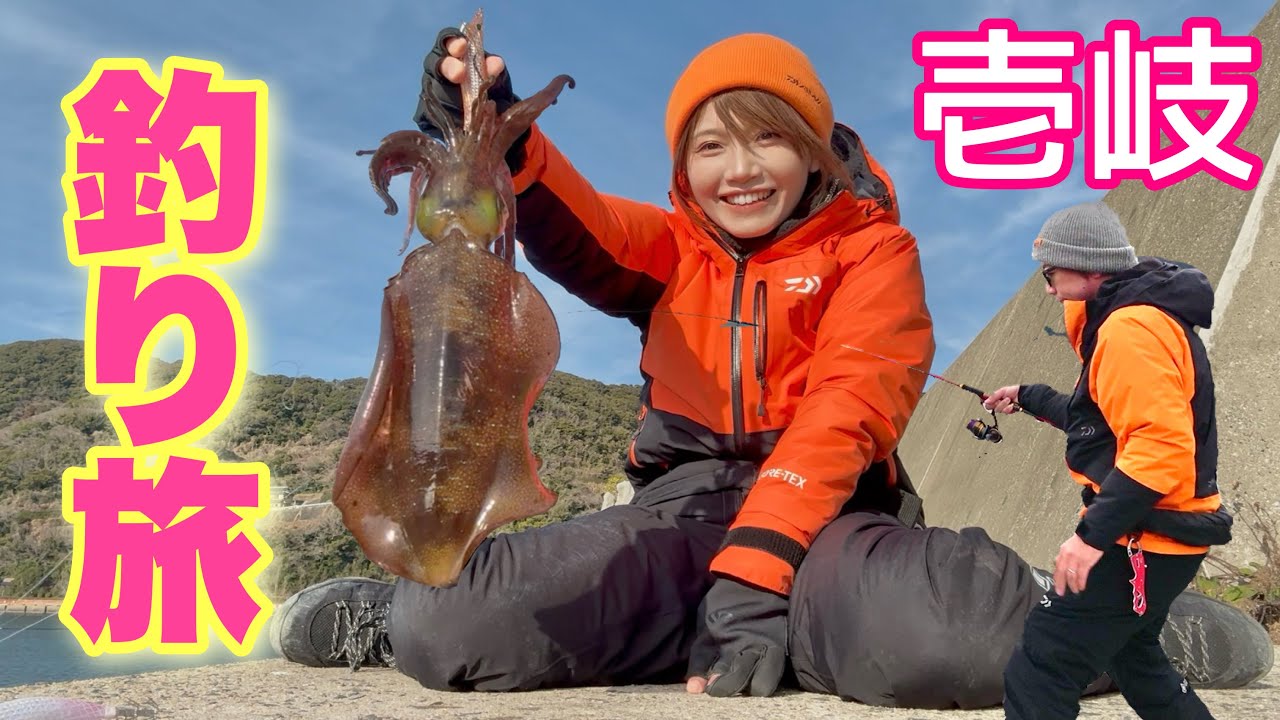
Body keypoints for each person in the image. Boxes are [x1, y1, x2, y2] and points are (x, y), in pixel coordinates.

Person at [269, 30, 1270, 709]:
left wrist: (755, 571)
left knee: (951, 643)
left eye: (766, 138)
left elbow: (849, 404)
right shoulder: (669, 247)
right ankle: (392, 615)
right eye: (710, 145)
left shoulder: (874, 251)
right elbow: (576, 225)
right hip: (681, 514)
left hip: (834, 517)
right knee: (449, 627)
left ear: (811, 149)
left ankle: (1121, 628)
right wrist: (497, 133)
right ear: (683, 164)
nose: (738, 168)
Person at [983, 201, 1236, 719]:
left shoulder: (1128, 330)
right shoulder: (1129, 318)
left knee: (1041, 668)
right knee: (1133, 657)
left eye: (1051, 273)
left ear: (1089, 267)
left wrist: (1089, 538)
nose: (1049, 288)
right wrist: (1027, 396)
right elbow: (1100, 420)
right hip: (1167, 536)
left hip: (1144, 538)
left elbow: (1160, 447)